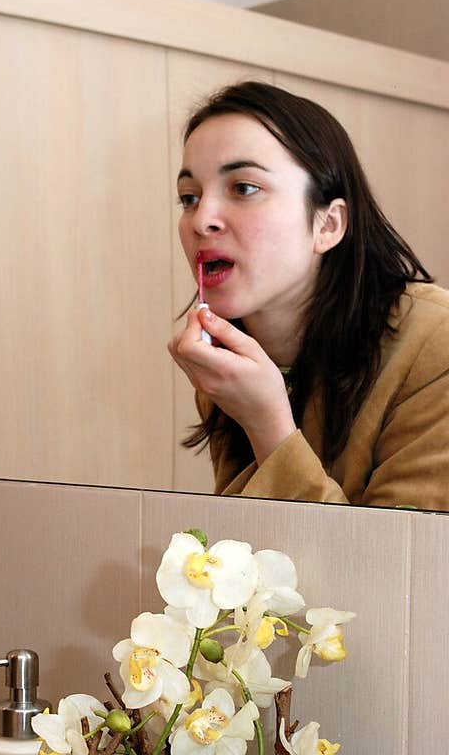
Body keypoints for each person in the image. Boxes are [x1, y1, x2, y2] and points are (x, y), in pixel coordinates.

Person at [167, 80, 449, 509]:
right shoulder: (229, 362)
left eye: (243, 188)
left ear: (328, 225)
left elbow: (396, 569)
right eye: (189, 197)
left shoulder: (436, 344)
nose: (202, 219)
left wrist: (269, 425)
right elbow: (250, 556)